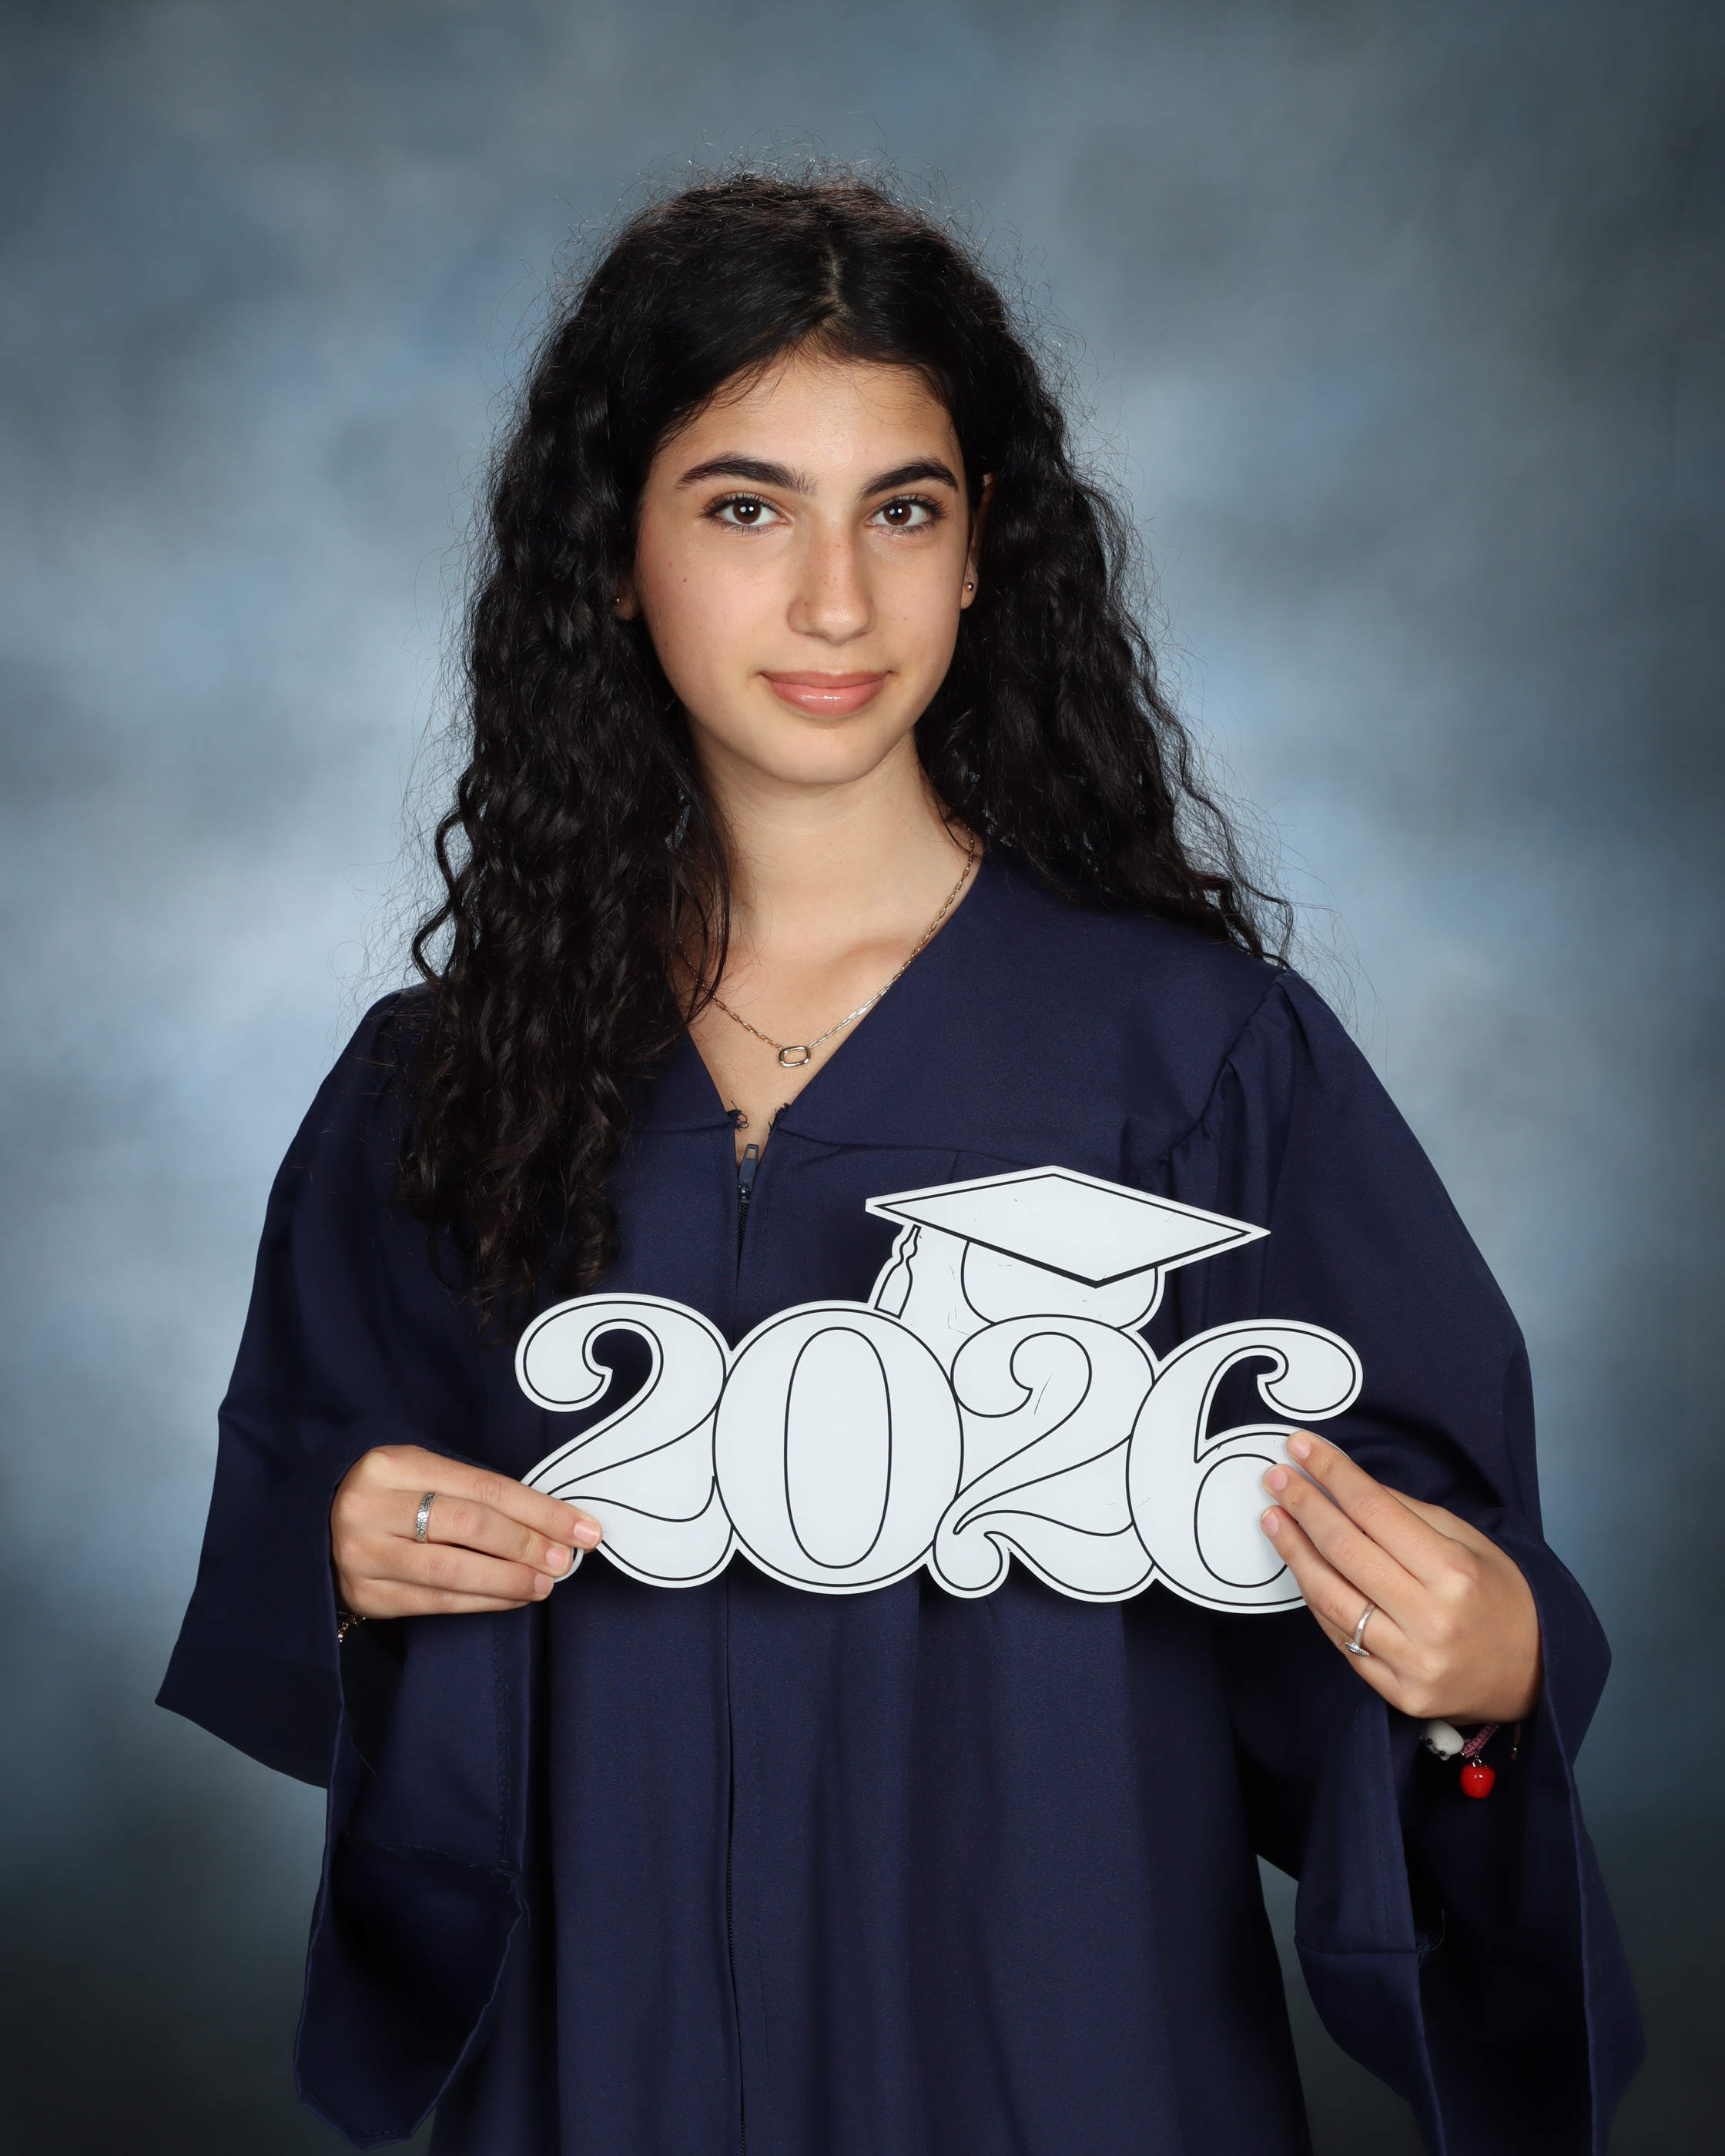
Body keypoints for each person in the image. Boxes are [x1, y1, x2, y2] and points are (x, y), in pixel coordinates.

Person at [159, 170, 1640, 2154]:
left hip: (1071, 2060)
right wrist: (352, 1566)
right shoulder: (447, 1085)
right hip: (609, 2065)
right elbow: (307, 1547)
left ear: (980, 552)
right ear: (615, 555)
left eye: (905, 510)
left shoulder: (1193, 1058)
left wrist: (1485, 1674)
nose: (837, 602)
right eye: (746, 508)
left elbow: (1434, 1576)